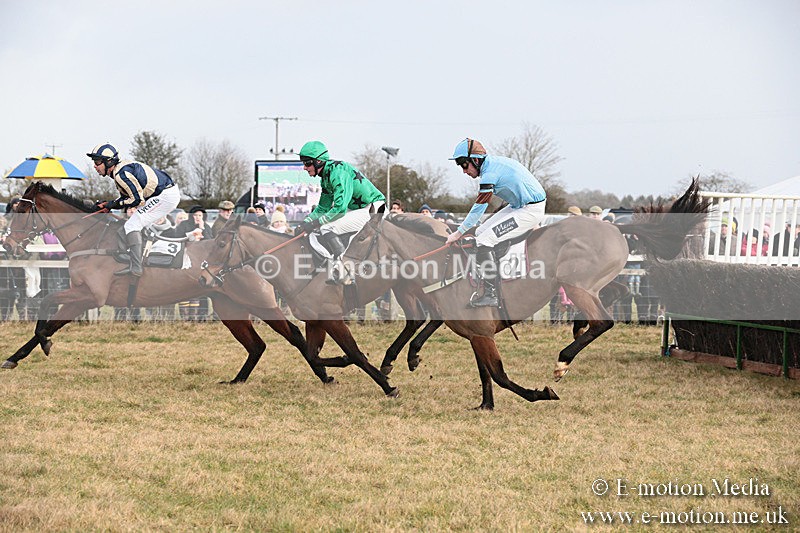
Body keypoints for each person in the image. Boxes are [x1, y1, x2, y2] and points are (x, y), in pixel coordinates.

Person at [444, 138, 546, 307]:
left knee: (484, 240)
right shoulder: (491, 165)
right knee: (478, 233)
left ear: (475, 160)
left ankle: (492, 294)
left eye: (463, 164)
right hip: (518, 206)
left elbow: (478, 209)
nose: (463, 171)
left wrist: (458, 233)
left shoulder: (490, 174)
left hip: (529, 210)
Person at [296, 140, 385, 284]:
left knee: (326, 227)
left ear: (318, 161)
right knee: (319, 230)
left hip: (374, 209)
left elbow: (339, 209)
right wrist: (305, 222)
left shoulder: (338, 172)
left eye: (307, 163)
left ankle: (346, 270)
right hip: (362, 210)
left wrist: (315, 222)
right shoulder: (325, 178)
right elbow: (322, 208)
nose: (305, 168)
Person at [87, 142, 180, 277]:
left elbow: (137, 200)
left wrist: (111, 205)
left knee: (132, 224)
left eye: (97, 162)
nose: (95, 166)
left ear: (109, 162)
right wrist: (108, 204)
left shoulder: (121, 175)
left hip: (165, 196)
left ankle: (136, 267)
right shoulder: (120, 171)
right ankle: (134, 258)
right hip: (162, 194)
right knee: (126, 228)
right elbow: (127, 198)